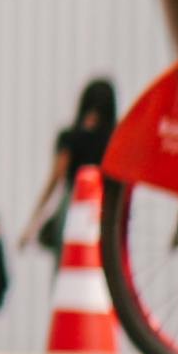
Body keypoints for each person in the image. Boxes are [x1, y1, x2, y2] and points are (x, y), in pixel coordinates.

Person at [20, 77, 120, 260]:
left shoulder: (70, 138)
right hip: (107, 211)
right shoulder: (115, 141)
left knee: (68, 265)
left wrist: (32, 223)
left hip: (74, 205)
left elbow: (55, 178)